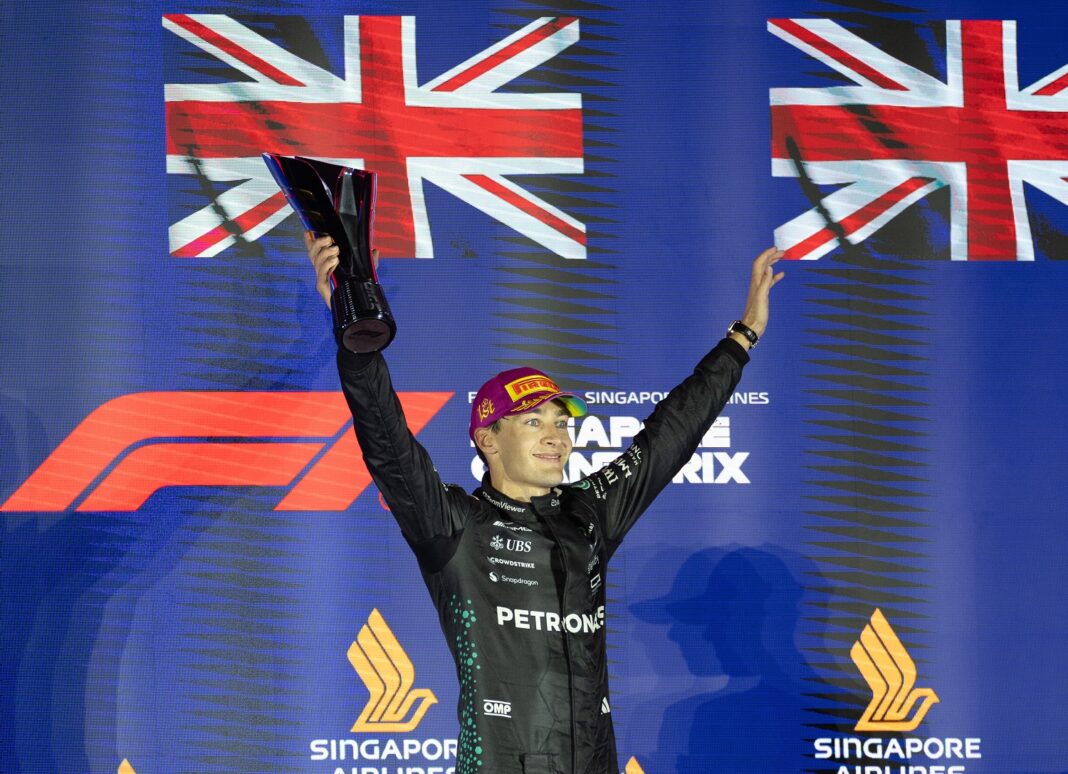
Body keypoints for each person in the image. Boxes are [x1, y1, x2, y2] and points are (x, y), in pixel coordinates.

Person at [306, 232, 784, 774]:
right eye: (533, 422)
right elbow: (387, 442)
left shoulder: (589, 512)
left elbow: (671, 434)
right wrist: (359, 343)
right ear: (488, 440)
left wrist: (742, 337)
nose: (556, 436)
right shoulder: (455, 523)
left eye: (561, 422)